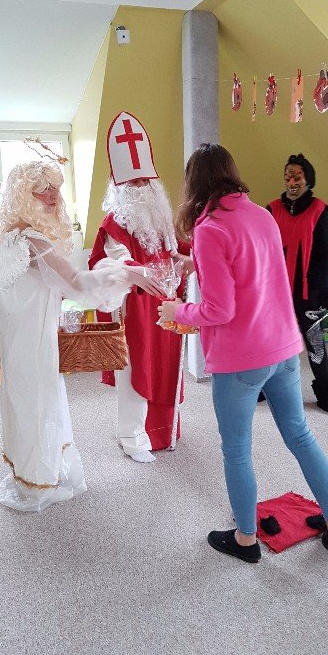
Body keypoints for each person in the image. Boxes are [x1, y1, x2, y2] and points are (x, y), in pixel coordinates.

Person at [158, 144, 328, 563]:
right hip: (282, 348)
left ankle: (245, 540)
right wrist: (196, 263)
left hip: (242, 359)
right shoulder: (262, 214)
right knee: (300, 435)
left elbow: (219, 310)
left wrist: (179, 312)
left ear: (194, 183)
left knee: (236, 450)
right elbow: (254, 269)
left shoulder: (210, 229)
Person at [0, 157, 159, 512]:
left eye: (55, 189)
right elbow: (75, 283)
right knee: (39, 403)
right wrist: (122, 273)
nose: (52, 196)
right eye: (43, 190)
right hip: (32, 339)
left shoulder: (8, 237)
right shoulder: (33, 239)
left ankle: (28, 475)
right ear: (24, 194)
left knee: (24, 402)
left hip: (16, 339)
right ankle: (38, 483)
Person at [89, 112, 191, 461]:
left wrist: (199, 252)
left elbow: (178, 249)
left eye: (145, 181)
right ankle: (131, 436)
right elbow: (115, 258)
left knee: (166, 368)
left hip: (167, 305)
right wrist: (139, 271)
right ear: (119, 187)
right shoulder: (114, 222)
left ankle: (163, 430)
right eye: (132, 184)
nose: (140, 189)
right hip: (136, 307)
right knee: (136, 369)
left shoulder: (162, 218)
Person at [266, 153, 328, 416]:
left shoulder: (319, 210)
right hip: (275, 292)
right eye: (287, 176)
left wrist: (323, 290)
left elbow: (325, 254)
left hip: (308, 292)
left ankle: (326, 396)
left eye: (297, 177)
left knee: (315, 343)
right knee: (270, 341)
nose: (291, 182)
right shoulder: (271, 209)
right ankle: (263, 386)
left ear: (308, 180)